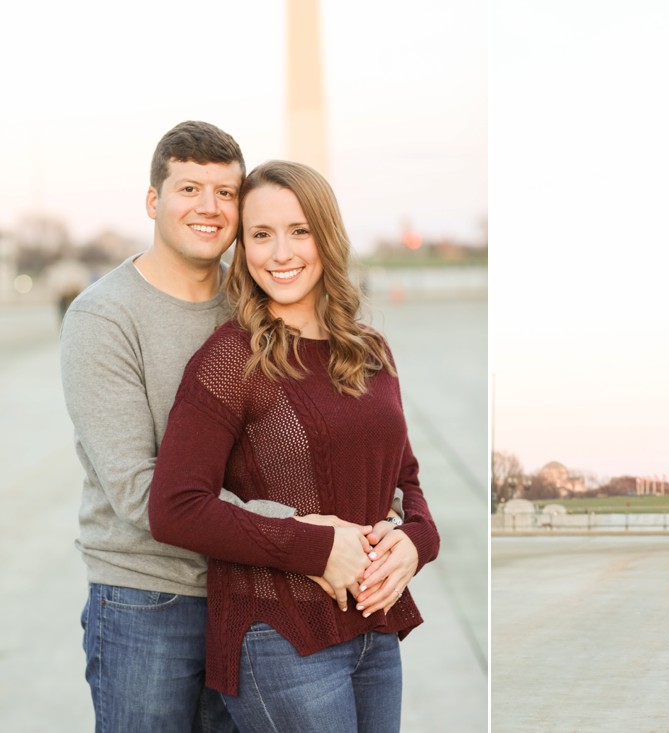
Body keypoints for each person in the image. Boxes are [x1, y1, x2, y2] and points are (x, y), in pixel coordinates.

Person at [60, 121, 402, 731]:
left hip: (256, 591)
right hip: (150, 595)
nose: (209, 207)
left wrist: (391, 531)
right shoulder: (104, 318)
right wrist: (307, 536)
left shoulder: (257, 303)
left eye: (225, 192)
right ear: (152, 201)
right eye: (190, 189)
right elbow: (143, 490)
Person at [148, 159, 440, 732]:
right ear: (243, 246)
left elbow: (404, 477)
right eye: (261, 234)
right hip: (279, 639)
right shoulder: (232, 358)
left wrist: (417, 541)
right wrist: (313, 546)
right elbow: (175, 508)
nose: (280, 253)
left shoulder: (369, 349)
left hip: (374, 631)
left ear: (326, 236)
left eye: (298, 230)